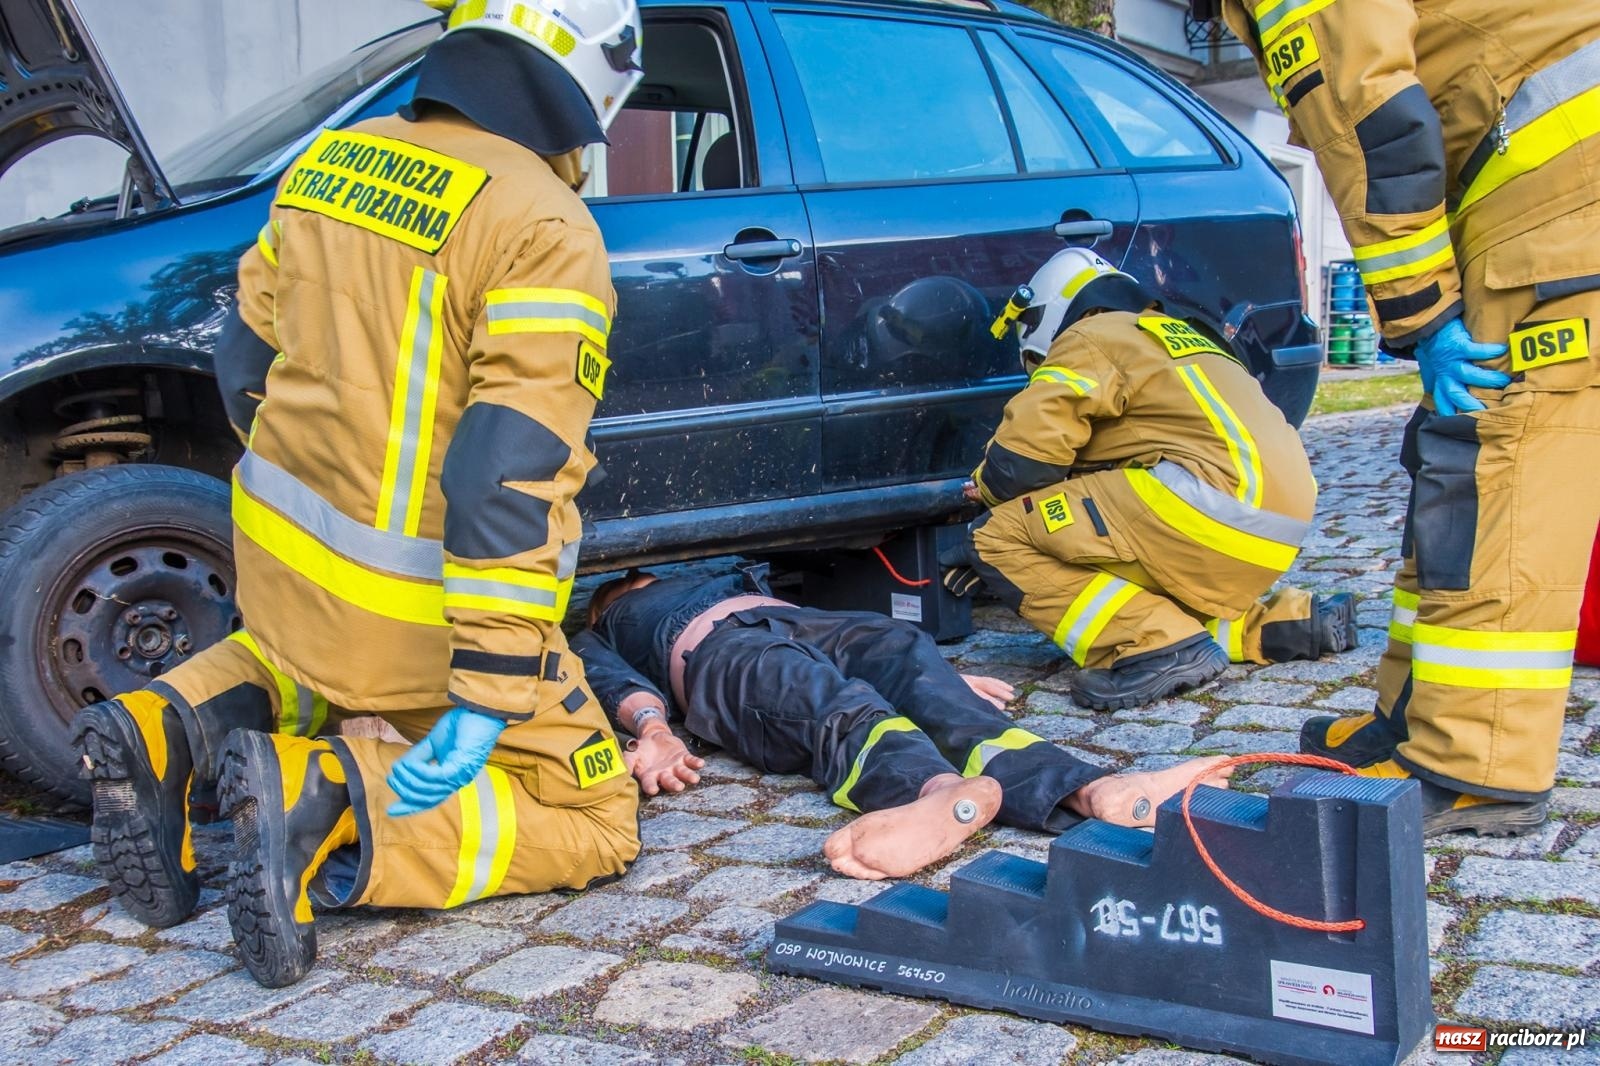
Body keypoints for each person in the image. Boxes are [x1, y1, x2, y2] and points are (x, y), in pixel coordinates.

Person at [70, 0, 645, 987]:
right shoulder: (543, 223)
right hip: (416, 615)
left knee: (312, 669)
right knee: (595, 812)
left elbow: (247, 360)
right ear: (595, 71)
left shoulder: (334, 160)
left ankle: (160, 726)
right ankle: (322, 800)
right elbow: (502, 470)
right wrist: (489, 689)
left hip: (287, 576)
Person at [1204, 0, 1600, 836]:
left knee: (1498, 460)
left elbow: (1365, 114)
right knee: (1454, 458)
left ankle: (1471, 762)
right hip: (1552, 180)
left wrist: (1420, 312)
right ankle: (1416, 716)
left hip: (1563, 194)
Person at [569, 563, 1234, 881]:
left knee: (907, 656)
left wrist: (938, 681)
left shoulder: (712, 572)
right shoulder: (606, 625)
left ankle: (1090, 789)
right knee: (823, 703)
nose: (635, 577)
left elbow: (900, 658)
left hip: (809, 624)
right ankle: (936, 794)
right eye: (624, 582)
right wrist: (654, 730)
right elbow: (605, 680)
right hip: (721, 653)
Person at [945, 247, 1356, 713]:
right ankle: (1284, 624)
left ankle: (1154, 645)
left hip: (1202, 508)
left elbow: (1024, 458)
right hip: (1273, 529)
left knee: (998, 538)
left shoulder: (1091, 335)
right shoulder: (1174, 333)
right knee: (1113, 537)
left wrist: (987, 497)